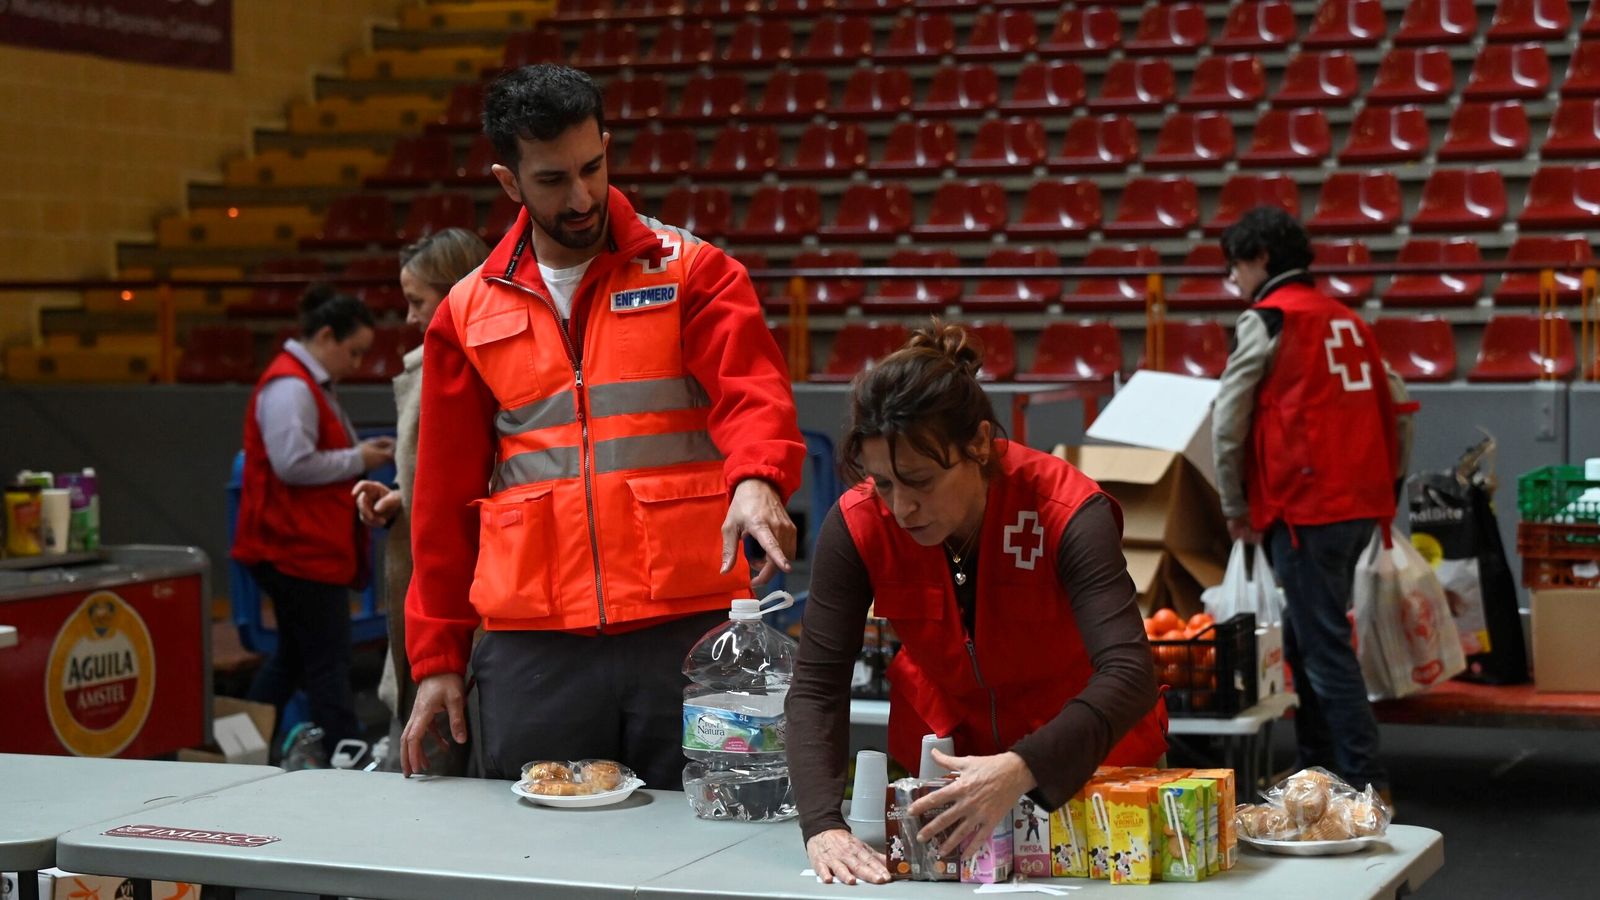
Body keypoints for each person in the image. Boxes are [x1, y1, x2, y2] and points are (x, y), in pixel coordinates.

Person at [401, 64, 805, 785]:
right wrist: (436, 660)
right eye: (554, 179)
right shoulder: (464, 313)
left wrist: (756, 478)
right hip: (534, 647)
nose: (582, 196)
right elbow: (439, 506)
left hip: (694, 630)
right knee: (533, 858)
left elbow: (754, 393)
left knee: (715, 839)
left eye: (593, 167)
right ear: (509, 182)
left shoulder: (695, 272)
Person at [787, 323, 1168, 886]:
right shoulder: (859, 524)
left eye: (918, 481)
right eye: (884, 483)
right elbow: (818, 683)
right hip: (948, 778)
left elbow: (1130, 673)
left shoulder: (1065, 511)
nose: (901, 507)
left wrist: (1023, 767)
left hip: (1094, 769)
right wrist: (822, 823)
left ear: (980, 445)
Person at [1211, 206, 1397, 798]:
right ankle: (1319, 773)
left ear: (1261, 259)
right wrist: (1386, 485)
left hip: (1302, 507)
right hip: (1357, 504)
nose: (1233, 280)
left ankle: (1368, 785)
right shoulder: (1349, 320)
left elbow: (1227, 422)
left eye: (1234, 265)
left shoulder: (1266, 319)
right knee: (1306, 638)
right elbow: (1401, 404)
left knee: (1321, 650)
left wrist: (1233, 503)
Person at [233, 285, 395, 760]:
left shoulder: (306, 383)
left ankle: (236, 741)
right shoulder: (290, 387)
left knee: (296, 658)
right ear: (326, 336)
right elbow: (292, 464)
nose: (358, 363)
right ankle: (350, 753)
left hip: (304, 547)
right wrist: (358, 457)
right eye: (354, 352)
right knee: (327, 661)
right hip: (295, 549)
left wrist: (357, 455)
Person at [351, 227, 489, 774]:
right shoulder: (425, 365)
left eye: (417, 302)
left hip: (468, 596)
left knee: (441, 756)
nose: (408, 317)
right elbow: (440, 476)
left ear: (455, 291)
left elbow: (479, 478)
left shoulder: (476, 367)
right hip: (423, 587)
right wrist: (401, 497)